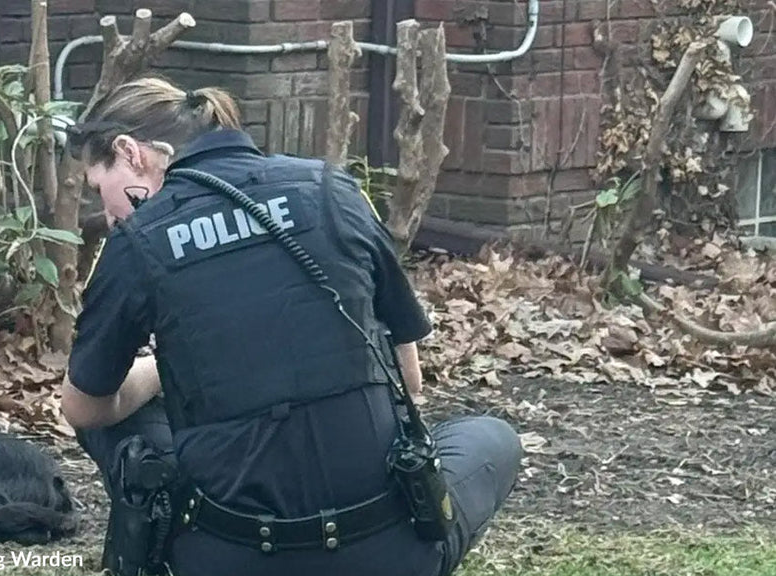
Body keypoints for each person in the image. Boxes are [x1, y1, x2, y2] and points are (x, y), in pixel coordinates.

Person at [59, 75, 523, 576]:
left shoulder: (138, 239)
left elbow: (82, 407)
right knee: (492, 438)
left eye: (98, 188)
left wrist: (155, 375)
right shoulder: (331, 189)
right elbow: (407, 379)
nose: (106, 215)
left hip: (228, 558)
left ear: (131, 154)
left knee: (113, 413)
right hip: (389, 555)